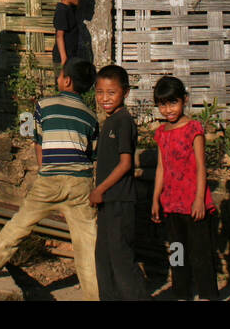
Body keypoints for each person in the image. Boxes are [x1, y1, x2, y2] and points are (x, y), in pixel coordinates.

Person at [0, 57, 100, 300]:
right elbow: (92, 154)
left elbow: (38, 142)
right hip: (80, 183)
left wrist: (45, 171)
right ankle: (95, 295)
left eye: (60, 74)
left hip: (49, 179)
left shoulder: (45, 104)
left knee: (19, 225)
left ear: (66, 80)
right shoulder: (90, 116)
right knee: (87, 242)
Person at [150, 75, 218, 300]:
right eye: (162, 104)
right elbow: (161, 167)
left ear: (185, 100)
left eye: (173, 102)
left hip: (193, 205)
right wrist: (155, 199)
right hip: (171, 205)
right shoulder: (161, 133)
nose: (168, 109)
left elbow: (201, 167)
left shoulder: (193, 129)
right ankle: (181, 294)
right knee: (177, 255)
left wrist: (199, 199)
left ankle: (208, 296)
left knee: (201, 256)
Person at [89, 64, 148, 300]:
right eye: (100, 92)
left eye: (111, 92)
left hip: (119, 201)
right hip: (108, 201)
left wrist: (99, 189)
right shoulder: (109, 122)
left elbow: (125, 164)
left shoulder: (123, 121)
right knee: (103, 258)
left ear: (125, 92)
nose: (105, 98)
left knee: (121, 259)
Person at [53, 0, 99, 65]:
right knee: (62, 80)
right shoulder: (62, 11)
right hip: (62, 58)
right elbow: (59, 36)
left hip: (71, 56)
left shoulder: (70, 7)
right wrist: (64, 58)